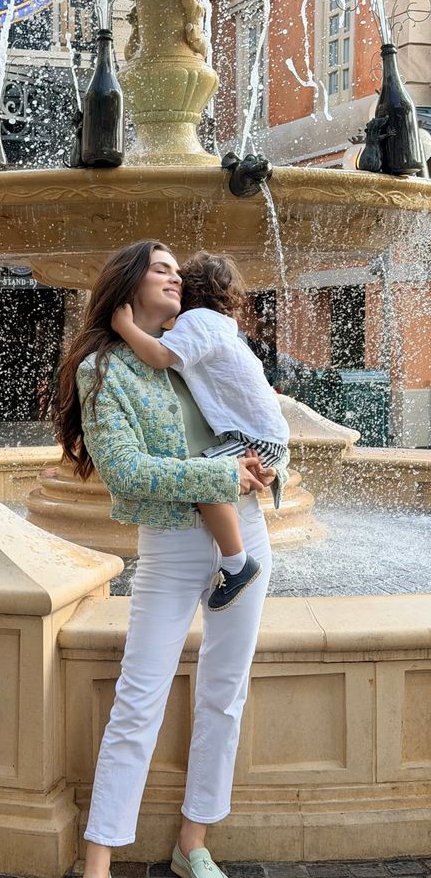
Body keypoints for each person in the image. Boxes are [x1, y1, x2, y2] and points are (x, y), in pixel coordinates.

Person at [51, 240, 289, 878]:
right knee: (138, 698)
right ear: (127, 284)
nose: (175, 277)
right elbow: (128, 472)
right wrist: (224, 477)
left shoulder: (199, 343)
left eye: (178, 270)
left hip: (244, 532)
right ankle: (98, 872)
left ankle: (194, 842)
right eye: (161, 269)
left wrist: (260, 470)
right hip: (170, 546)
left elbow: (249, 416)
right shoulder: (105, 368)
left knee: (225, 690)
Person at [111, 251, 289, 612]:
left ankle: (237, 564)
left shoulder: (197, 321)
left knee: (210, 475)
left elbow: (159, 356)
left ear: (190, 291)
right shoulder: (222, 325)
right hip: (265, 436)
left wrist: (124, 328)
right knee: (213, 473)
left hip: (252, 438)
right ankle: (236, 560)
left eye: (176, 276)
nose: (171, 282)